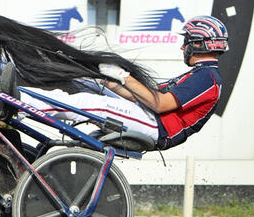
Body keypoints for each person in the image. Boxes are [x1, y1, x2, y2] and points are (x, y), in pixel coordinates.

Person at [21, 15, 228, 150]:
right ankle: (27, 89)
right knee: (90, 84)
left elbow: (159, 104)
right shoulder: (199, 75)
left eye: (187, 41)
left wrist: (123, 76)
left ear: (200, 44)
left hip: (157, 127)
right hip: (148, 116)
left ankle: (21, 103)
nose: (183, 48)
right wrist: (106, 79)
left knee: (91, 103)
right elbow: (142, 96)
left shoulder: (207, 78)